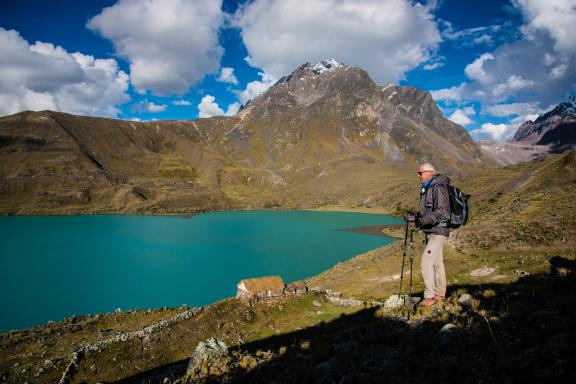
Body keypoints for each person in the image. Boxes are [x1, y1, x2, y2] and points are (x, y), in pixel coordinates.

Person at [415, 163, 450, 306]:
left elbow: (441, 210)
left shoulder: (438, 187)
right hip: (431, 230)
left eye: (420, 172)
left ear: (429, 172)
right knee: (437, 263)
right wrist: (417, 218)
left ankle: (429, 296)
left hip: (438, 231)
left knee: (426, 261)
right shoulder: (426, 188)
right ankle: (440, 295)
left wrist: (425, 220)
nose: (418, 175)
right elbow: (427, 210)